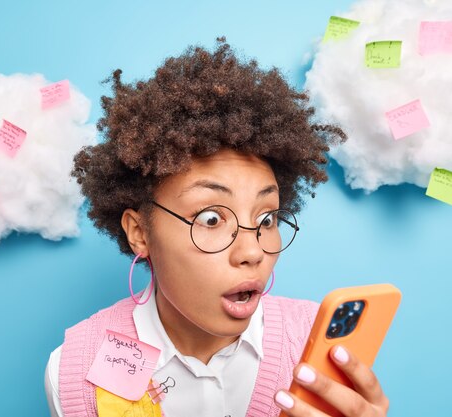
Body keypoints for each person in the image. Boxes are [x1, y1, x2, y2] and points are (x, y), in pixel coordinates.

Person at [45, 37, 390, 417]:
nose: (253, 252)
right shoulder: (74, 371)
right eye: (211, 219)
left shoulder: (322, 349)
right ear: (139, 232)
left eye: (266, 219)